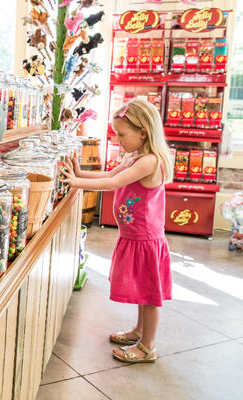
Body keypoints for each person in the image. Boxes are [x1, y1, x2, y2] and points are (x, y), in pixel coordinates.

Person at [60, 99, 173, 363]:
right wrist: (81, 173)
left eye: (122, 134)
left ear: (143, 132)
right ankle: (139, 331)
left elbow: (113, 184)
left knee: (150, 295)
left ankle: (148, 347)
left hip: (145, 239)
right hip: (133, 236)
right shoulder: (134, 156)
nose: (119, 140)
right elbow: (108, 174)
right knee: (143, 292)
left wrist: (76, 182)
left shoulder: (150, 161)